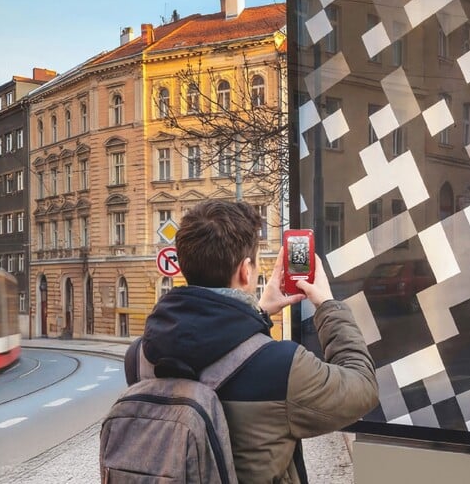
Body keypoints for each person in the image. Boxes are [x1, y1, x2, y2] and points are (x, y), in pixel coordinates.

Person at [129, 200, 378, 483]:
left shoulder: (140, 355)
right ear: (246, 271)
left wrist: (257, 313)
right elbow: (363, 387)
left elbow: (205, 343)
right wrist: (328, 306)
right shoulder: (282, 366)